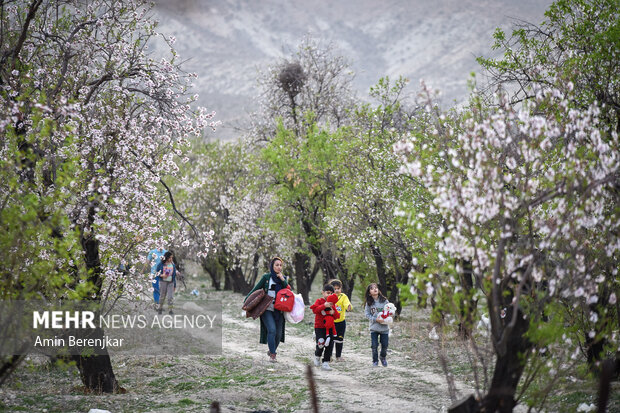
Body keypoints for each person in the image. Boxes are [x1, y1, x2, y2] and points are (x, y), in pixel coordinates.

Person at [245, 257, 288, 362]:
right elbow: (256, 289)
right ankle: (273, 355)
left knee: (278, 334)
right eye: (276, 265)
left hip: (279, 310)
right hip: (267, 309)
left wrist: (283, 280)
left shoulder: (284, 279)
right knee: (272, 330)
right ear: (272, 266)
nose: (279, 267)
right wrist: (246, 302)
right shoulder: (266, 277)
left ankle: (271, 350)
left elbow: (288, 291)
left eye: (280, 265)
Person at [310, 284, 340, 371]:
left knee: (330, 345)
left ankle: (326, 362)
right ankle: (317, 356)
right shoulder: (319, 301)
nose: (329, 295)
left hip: (330, 327)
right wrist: (324, 306)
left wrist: (333, 312)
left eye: (331, 293)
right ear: (323, 293)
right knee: (321, 343)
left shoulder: (332, 304)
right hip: (319, 327)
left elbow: (337, 316)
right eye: (327, 293)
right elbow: (315, 310)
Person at [364, 283, 390, 367]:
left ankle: (383, 357)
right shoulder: (369, 303)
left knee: (385, 345)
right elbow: (367, 314)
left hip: (384, 328)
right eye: (372, 288)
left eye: (376, 288)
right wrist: (375, 319)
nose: (375, 289)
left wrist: (389, 316)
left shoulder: (384, 301)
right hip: (374, 328)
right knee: (374, 345)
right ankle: (375, 361)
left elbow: (390, 310)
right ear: (369, 293)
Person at [329, 279, 352, 361]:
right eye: (334, 289)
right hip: (331, 322)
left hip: (341, 322)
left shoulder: (343, 297)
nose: (336, 290)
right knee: (330, 340)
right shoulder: (329, 297)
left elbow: (346, 303)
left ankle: (338, 356)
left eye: (338, 288)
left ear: (341, 289)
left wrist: (348, 307)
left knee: (339, 340)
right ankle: (329, 356)